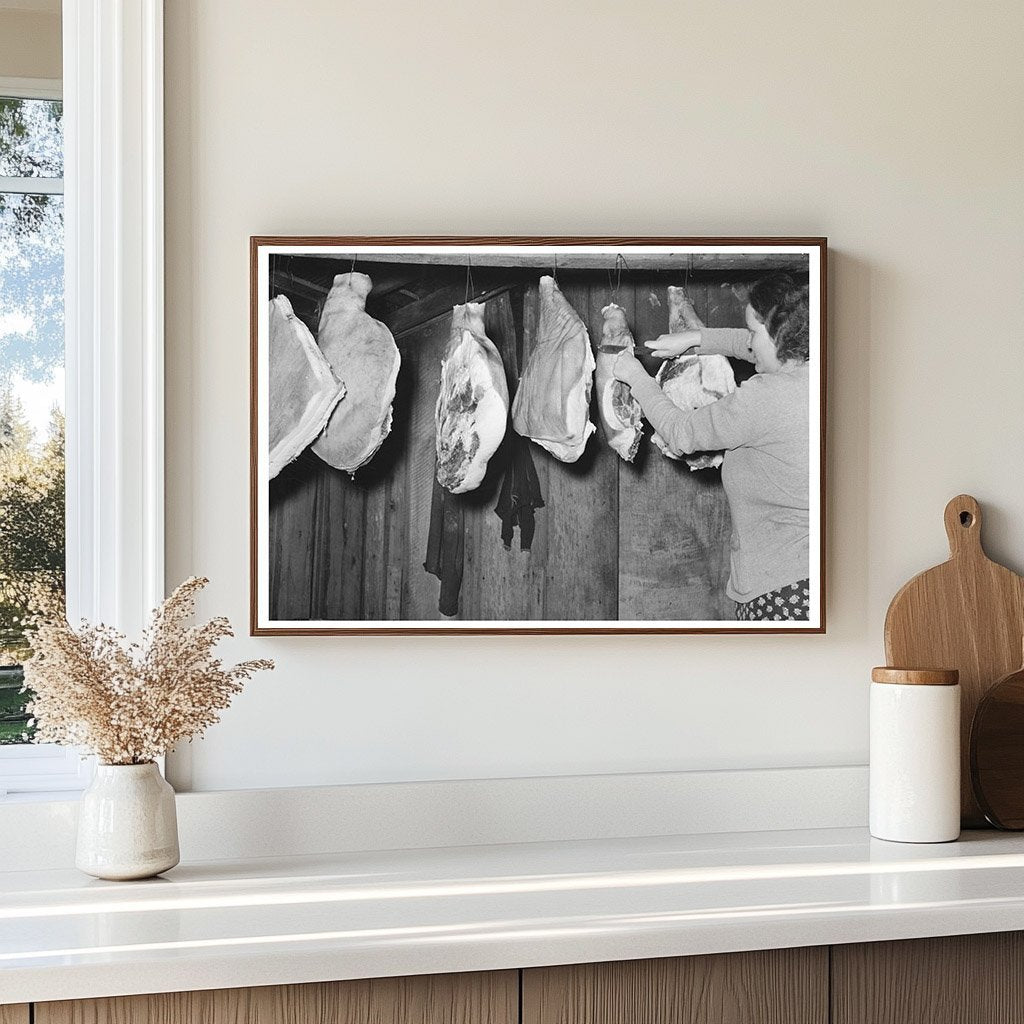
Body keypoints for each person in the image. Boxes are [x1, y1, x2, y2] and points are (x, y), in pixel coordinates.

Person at [613, 275, 811, 621]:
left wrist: (637, 378)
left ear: (780, 334)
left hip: (780, 590)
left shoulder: (765, 398)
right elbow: (757, 347)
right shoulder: (815, 374)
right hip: (808, 577)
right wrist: (696, 339)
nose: (748, 341)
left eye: (754, 331)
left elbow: (681, 433)